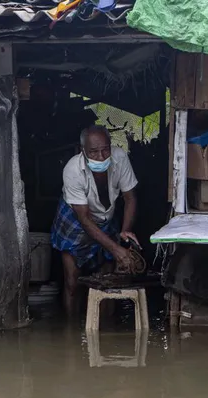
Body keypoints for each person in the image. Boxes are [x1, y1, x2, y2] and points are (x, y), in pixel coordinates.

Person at [51, 125, 140, 316]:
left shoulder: (120, 158)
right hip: (75, 219)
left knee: (108, 281)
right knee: (73, 281)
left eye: (105, 149)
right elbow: (83, 219)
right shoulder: (72, 170)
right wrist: (116, 249)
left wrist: (125, 231)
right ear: (82, 151)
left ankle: (106, 332)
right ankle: (71, 333)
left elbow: (130, 198)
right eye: (93, 152)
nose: (101, 156)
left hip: (106, 217)